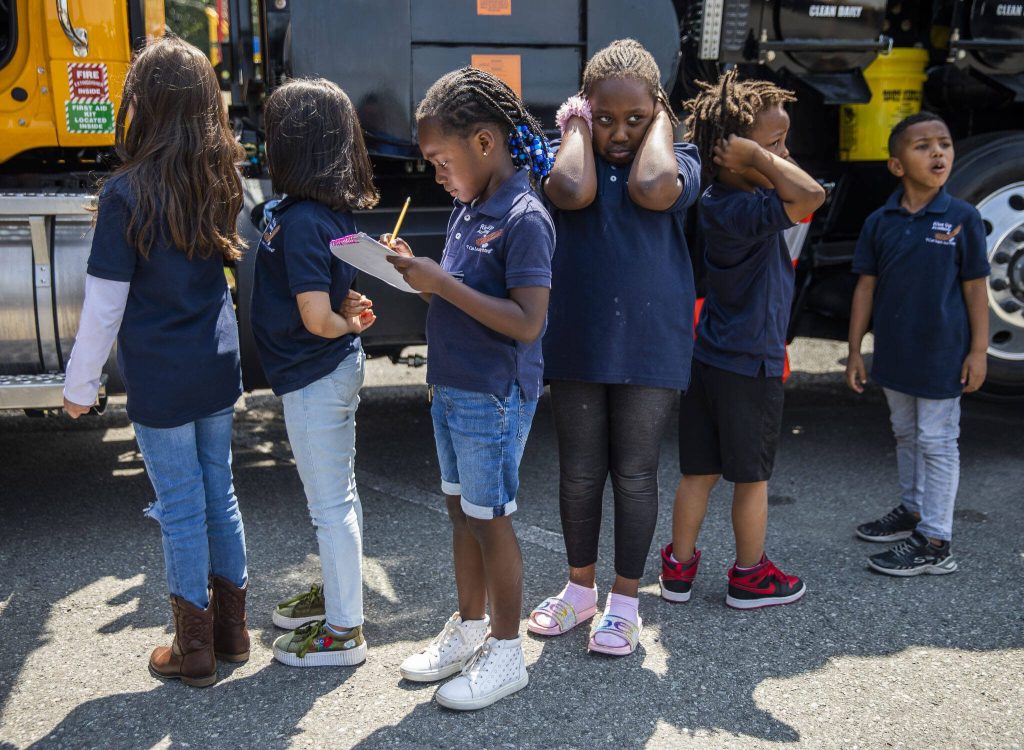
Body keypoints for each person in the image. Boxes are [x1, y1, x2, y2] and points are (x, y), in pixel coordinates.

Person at [62, 36, 249, 687]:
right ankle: (232, 632)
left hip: (162, 375)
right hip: (216, 365)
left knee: (179, 505)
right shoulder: (222, 178)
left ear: (147, 104)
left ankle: (193, 649)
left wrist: (79, 386)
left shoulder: (124, 194)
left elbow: (104, 306)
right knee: (218, 493)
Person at [384, 67, 555, 710]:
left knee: (492, 518)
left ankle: (508, 655)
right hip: (452, 387)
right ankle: (470, 627)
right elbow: (459, 294)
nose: (435, 173)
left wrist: (442, 283)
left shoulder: (525, 214)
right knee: (462, 511)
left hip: (492, 394)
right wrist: (410, 270)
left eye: (439, 159)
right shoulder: (469, 208)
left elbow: (526, 320)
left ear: (484, 143)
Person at [526, 38, 701, 656]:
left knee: (634, 473)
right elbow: (571, 191)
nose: (619, 133)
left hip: (651, 345)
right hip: (577, 339)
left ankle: (625, 602)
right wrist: (575, 126)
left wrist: (664, 123)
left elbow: (654, 187)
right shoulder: (563, 157)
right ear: (581, 110)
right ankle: (579, 591)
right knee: (577, 474)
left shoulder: (680, 159)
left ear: (658, 112)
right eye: (604, 118)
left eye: (636, 118)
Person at [659, 69, 825, 609]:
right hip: (749, 361)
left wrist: (757, 154)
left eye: (784, 142)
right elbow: (811, 195)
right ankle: (750, 577)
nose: (783, 153)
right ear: (730, 153)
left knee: (698, 472)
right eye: (774, 143)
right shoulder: (743, 205)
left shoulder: (717, 200)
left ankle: (678, 571)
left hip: (709, 358)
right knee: (751, 479)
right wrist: (758, 158)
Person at [250, 78, 379, 667]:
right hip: (321, 374)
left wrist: (345, 323)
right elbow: (335, 293)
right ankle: (337, 592)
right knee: (336, 499)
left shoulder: (303, 220)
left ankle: (344, 630)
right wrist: (345, 311)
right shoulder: (313, 214)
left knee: (330, 505)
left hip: (314, 376)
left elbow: (317, 316)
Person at [846, 112, 989, 576]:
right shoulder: (879, 221)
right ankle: (912, 510)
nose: (938, 153)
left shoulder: (963, 217)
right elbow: (865, 287)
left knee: (937, 441)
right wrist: (853, 350)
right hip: (894, 354)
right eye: (923, 146)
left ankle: (935, 540)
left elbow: (975, 289)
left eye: (944, 144)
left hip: (943, 357)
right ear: (896, 165)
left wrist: (979, 351)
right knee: (905, 433)